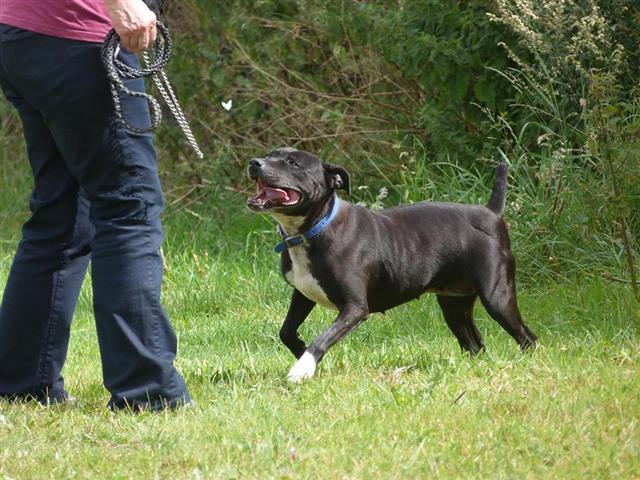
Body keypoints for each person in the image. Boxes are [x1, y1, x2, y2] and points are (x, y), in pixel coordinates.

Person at [0, 0, 191, 411]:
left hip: (21, 32)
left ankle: (21, 382)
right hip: (76, 36)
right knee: (129, 208)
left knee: (63, 212)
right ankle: (147, 393)